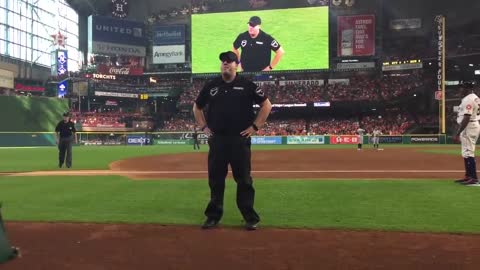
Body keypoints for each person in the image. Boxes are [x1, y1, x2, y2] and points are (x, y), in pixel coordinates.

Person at [193, 51, 272, 230]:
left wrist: (255, 127)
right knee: (215, 180)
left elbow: (267, 105)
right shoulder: (211, 85)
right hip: (218, 140)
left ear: (237, 65)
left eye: (229, 62)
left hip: (239, 140)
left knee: (244, 180)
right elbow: (197, 107)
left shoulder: (247, 85)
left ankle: (249, 217)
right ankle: (213, 216)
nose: (225, 64)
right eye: (223, 62)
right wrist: (204, 127)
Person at [454, 83, 480, 186]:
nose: (460, 90)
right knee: (466, 152)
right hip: (472, 125)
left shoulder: (468, 99)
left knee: (469, 152)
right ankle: (468, 176)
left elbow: (466, 117)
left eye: (462, 88)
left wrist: (457, 132)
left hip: (469, 126)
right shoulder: (475, 97)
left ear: (468, 89)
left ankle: (473, 177)